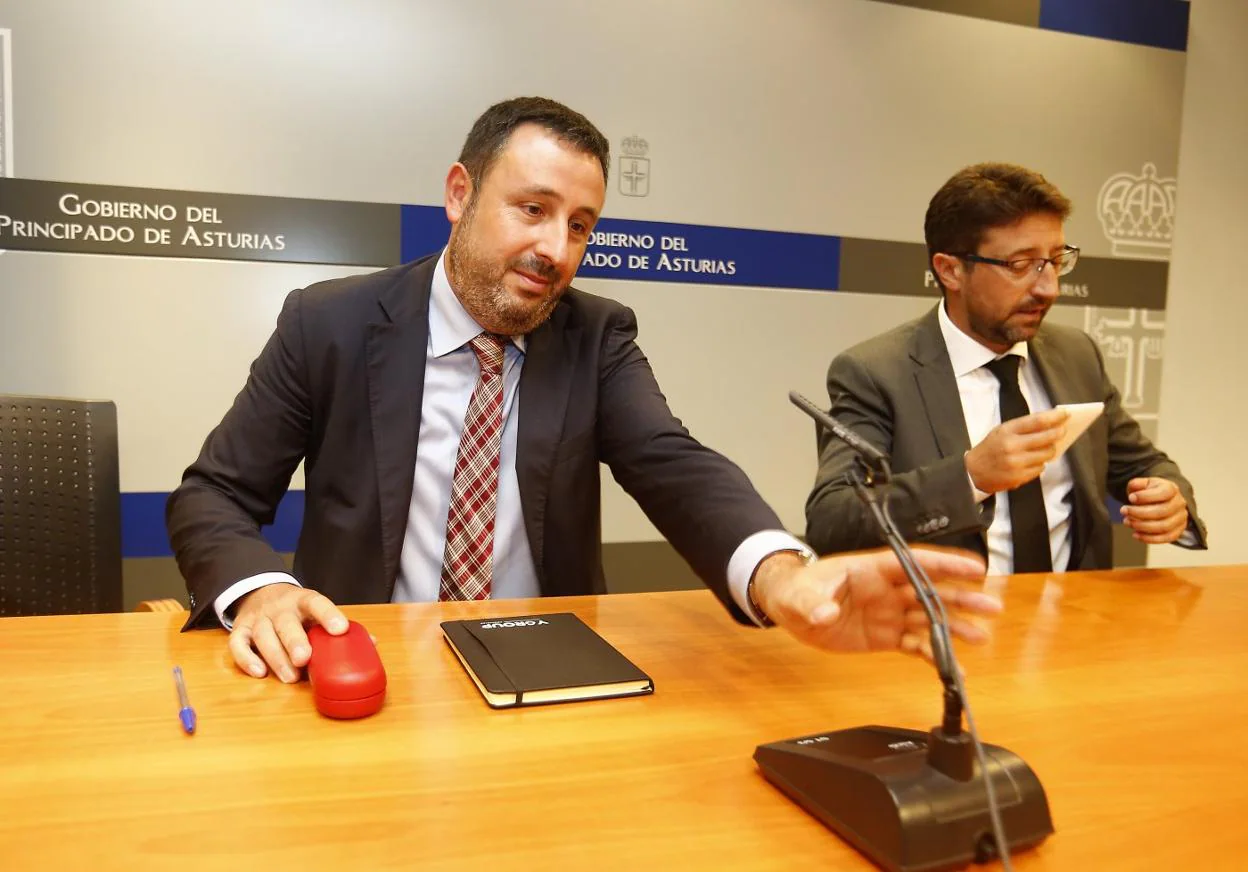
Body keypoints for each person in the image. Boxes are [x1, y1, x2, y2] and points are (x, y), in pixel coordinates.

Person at [167, 97, 1000, 683]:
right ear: (459, 195)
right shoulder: (333, 323)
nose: (554, 249)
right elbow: (214, 496)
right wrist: (263, 591)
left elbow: (674, 464)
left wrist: (783, 576)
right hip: (364, 664)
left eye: (579, 225)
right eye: (531, 209)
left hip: (549, 667)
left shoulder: (594, 334)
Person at [805, 162, 1206, 574]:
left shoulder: (1076, 354)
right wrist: (970, 477)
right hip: (950, 623)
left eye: (1056, 260)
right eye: (1020, 265)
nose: (1049, 287)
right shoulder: (875, 373)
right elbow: (833, 521)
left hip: (1080, 620)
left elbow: (1140, 465)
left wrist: (1170, 496)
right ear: (950, 270)